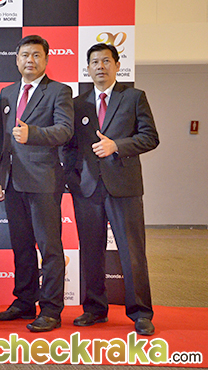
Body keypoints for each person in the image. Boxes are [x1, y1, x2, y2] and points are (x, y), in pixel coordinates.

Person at [63, 43, 159, 336]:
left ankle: (141, 312)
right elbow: (69, 146)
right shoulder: (78, 103)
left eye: (106, 61)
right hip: (87, 189)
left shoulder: (134, 98)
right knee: (91, 251)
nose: (100, 66)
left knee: (132, 252)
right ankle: (94, 308)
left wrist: (117, 145)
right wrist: (73, 179)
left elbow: (150, 137)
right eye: (95, 62)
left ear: (117, 65)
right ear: (88, 68)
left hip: (124, 187)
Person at [0, 35, 74, 332]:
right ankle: (24, 301)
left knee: (49, 248)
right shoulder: (7, 92)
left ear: (46, 60)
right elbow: (1, 139)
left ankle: (50, 309)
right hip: (12, 181)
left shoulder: (59, 91)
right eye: (25, 55)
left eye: (36, 55)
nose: (30, 60)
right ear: (17, 60)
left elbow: (65, 130)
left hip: (44, 181)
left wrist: (34, 134)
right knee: (21, 246)